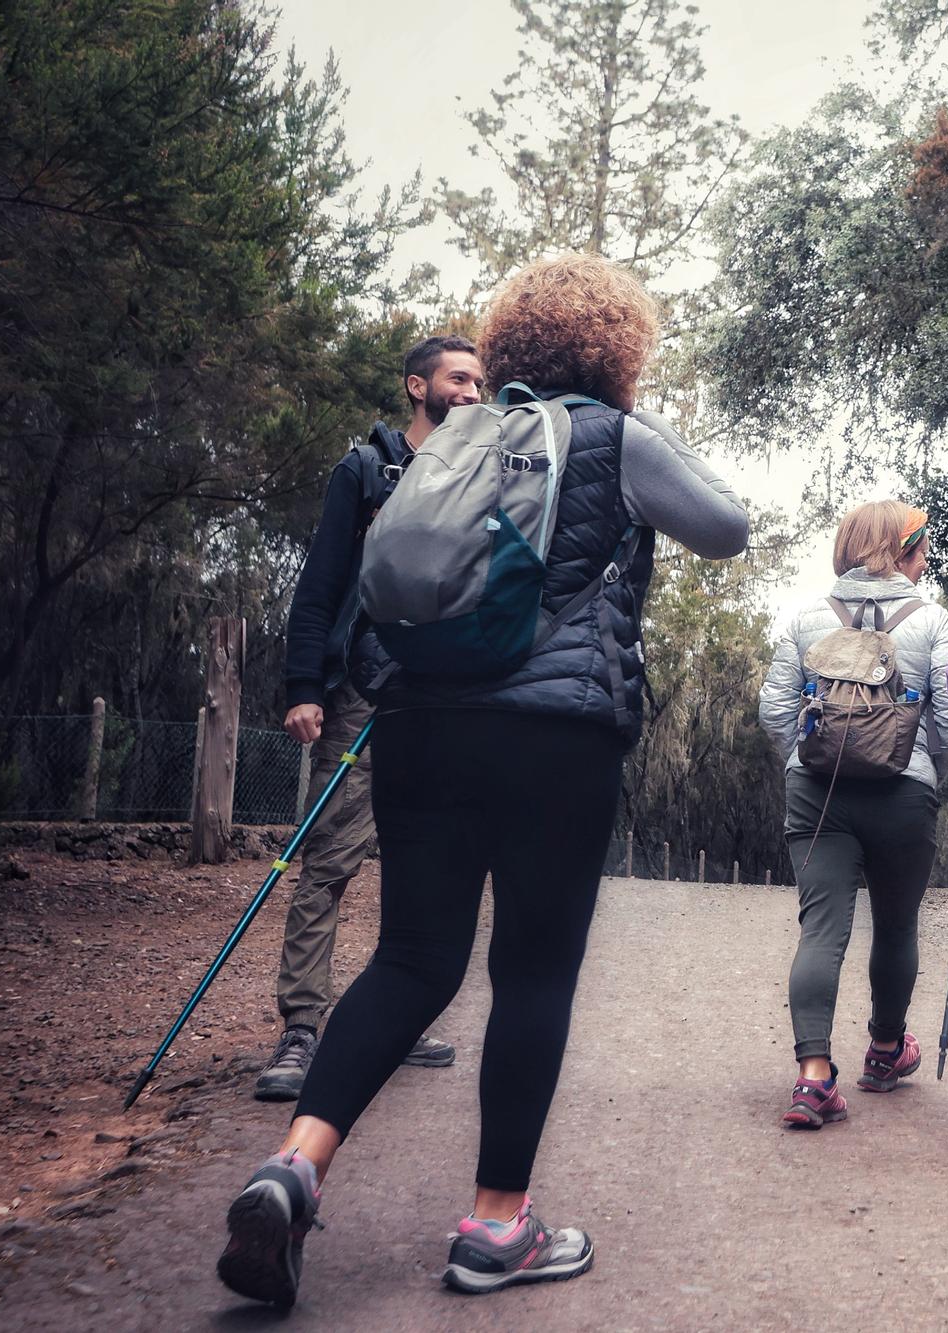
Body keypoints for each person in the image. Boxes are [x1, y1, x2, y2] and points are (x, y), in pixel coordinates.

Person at [216, 254, 750, 1308]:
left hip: (420, 723)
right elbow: (728, 530)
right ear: (617, 348)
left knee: (413, 957)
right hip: (556, 736)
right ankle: (496, 1225)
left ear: (505, 350)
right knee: (534, 971)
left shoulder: (448, 436)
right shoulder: (609, 434)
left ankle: (296, 1164)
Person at [255, 334, 485, 1101]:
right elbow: (319, 584)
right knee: (329, 857)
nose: (474, 391)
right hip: (363, 689)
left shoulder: (483, 473)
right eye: (459, 378)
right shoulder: (364, 470)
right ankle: (301, 1028)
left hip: (448, 696)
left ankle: (398, 1013)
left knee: (422, 860)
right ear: (416, 385)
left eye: (482, 381)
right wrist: (302, 686)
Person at [757, 500, 948, 1128]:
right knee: (898, 926)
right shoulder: (931, 621)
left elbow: (775, 711)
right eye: (922, 544)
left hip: (816, 791)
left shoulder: (805, 617)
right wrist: (924, 762)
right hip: (904, 795)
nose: (927, 555)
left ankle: (811, 1079)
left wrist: (807, 760)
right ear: (901, 550)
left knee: (820, 930)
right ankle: (883, 1052)